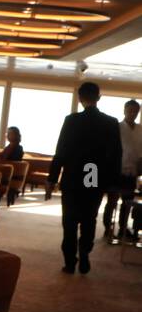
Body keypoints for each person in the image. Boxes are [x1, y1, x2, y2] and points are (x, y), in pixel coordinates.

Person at [47, 81, 122, 274]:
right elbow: (115, 155)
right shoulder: (110, 122)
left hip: (73, 176)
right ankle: (85, 249)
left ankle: (70, 262)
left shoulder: (71, 120)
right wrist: (114, 182)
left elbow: (61, 150)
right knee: (89, 217)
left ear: (80, 98)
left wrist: (52, 178)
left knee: (70, 220)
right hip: (94, 175)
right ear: (99, 97)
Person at [103, 98, 142, 242]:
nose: (132, 113)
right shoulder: (117, 127)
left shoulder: (140, 129)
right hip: (116, 171)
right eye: (130, 110)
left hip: (132, 172)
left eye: (135, 111)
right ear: (124, 111)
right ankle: (108, 228)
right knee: (112, 202)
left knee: (127, 203)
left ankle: (123, 229)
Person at [0, 126, 25, 206]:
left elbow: (6, 160)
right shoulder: (11, 147)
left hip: (10, 172)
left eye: (10, 134)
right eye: (7, 134)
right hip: (8, 169)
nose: (7, 136)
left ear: (16, 135)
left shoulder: (16, 147)